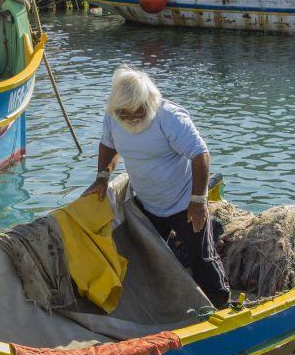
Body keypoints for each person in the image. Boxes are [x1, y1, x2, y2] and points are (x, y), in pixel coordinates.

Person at [83, 66, 231, 307]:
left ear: (148, 101)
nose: (130, 118)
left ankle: (221, 302)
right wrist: (102, 178)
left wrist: (198, 201)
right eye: (123, 114)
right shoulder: (113, 117)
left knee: (202, 258)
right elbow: (108, 146)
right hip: (148, 204)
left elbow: (200, 154)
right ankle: (163, 304)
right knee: (149, 258)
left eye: (136, 112)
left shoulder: (169, 117)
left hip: (184, 203)